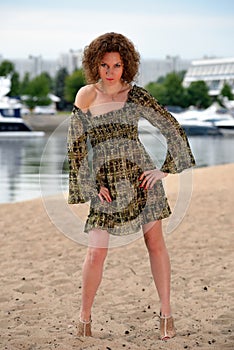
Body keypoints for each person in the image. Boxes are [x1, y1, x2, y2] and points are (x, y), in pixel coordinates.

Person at [67, 32, 195, 341]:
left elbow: (170, 126)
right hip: (107, 185)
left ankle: (166, 315)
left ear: (127, 66)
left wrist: (163, 170)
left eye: (117, 65)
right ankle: (84, 319)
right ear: (94, 65)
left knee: (156, 246)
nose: (110, 72)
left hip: (141, 179)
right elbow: (75, 146)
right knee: (96, 252)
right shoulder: (86, 95)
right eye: (104, 65)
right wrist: (91, 184)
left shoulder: (137, 95)